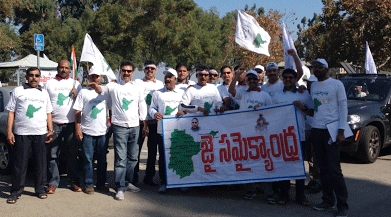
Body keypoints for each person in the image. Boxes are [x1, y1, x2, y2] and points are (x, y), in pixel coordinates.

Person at [94, 61, 148, 200]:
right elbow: (102, 90)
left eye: (129, 71)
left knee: (133, 158)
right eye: (124, 70)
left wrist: (144, 122)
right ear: (120, 71)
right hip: (119, 127)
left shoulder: (137, 87)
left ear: (133, 73)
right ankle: (119, 188)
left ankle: (127, 182)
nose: (126, 73)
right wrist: (96, 87)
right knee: (120, 159)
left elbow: (141, 104)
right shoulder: (113, 85)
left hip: (135, 126)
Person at [6, 67, 53, 204]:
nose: (34, 78)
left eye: (37, 76)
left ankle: (40, 189)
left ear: (40, 77)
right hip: (22, 133)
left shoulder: (44, 93)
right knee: (20, 164)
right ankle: (16, 192)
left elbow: (48, 112)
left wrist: (50, 130)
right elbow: (11, 112)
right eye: (31, 75)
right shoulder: (18, 91)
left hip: (40, 133)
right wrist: (9, 131)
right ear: (26, 77)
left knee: (40, 163)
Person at [228, 69, 275, 203]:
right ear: (247, 81)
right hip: (245, 133)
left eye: (255, 79)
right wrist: (236, 76)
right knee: (247, 162)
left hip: (261, 134)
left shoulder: (265, 95)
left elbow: (271, 113)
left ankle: (269, 192)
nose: (253, 81)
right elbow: (231, 91)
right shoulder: (242, 93)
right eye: (250, 79)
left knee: (264, 162)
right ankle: (250, 190)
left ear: (258, 80)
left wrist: (261, 109)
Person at [310, 59, 349, 217]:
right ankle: (327, 200)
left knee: (334, 170)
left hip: (331, 130)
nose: (317, 69)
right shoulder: (313, 85)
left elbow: (343, 107)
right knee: (322, 169)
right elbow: (315, 108)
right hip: (316, 130)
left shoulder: (337, 84)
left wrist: (341, 131)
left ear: (326, 69)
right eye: (315, 67)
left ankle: (343, 206)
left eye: (320, 67)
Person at [272, 68, 312, 206]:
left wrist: (303, 108)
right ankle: (284, 195)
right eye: (286, 77)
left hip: (298, 135)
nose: (288, 79)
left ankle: (301, 196)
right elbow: (272, 114)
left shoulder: (304, 94)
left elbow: (312, 111)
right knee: (284, 166)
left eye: (291, 77)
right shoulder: (277, 96)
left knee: (299, 167)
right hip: (283, 136)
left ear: (295, 79)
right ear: (282, 79)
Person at [44, 60, 82, 194]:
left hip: (71, 124)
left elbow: (82, 103)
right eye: (61, 67)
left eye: (66, 68)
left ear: (70, 69)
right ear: (57, 68)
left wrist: (76, 94)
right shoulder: (49, 83)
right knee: (53, 155)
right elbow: (44, 103)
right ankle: (53, 183)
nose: (64, 69)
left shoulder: (75, 84)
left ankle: (73, 181)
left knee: (72, 155)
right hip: (54, 124)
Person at [73, 66, 111, 194]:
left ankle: (101, 184)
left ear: (101, 78)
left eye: (97, 76)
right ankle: (88, 183)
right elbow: (78, 111)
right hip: (87, 131)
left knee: (102, 159)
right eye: (92, 76)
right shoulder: (83, 92)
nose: (95, 78)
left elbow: (111, 110)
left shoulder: (106, 92)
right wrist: (78, 128)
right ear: (88, 77)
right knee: (87, 159)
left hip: (103, 132)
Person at [148, 68, 184, 193]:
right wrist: (155, 113)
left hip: (177, 130)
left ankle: (180, 181)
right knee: (163, 158)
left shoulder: (180, 94)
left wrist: (183, 111)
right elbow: (151, 108)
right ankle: (164, 182)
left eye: (170, 77)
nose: (167, 79)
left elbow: (185, 108)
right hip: (162, 131)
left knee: (178, 156)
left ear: (175, 79)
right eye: (166, 77)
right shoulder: (157, 93)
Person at [134, 60, 164, 186]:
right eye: (147, 68)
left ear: (156, 71)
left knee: (152, 151)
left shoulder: (161, 84)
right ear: (144, 70)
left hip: (154, 122)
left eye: (152, 68)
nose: (150, 70)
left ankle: (149, 177)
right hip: (140, 121)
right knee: (136, 150)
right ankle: (133, 177)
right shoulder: (137, 83)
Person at [303, 75, 322, 193]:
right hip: (306, 130)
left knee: (317, 157)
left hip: (316, 129)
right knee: (309, 157)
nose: (309, 85)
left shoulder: (319, 97)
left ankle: (318, 181)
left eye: (311, 83)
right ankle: (313, 180)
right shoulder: (305, 94)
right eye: (308, 83)